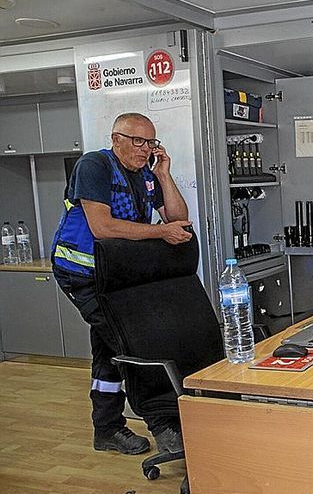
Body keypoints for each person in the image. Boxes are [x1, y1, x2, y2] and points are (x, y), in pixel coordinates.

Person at [51, 113, 193, 455]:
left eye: (151, 143)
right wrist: (159, 232)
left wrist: (163, 174)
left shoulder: (147, 173)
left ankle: (107, 429)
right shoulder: (93, 166)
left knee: (109, 348)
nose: (145, 150)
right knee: (132, 343)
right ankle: (164, 424)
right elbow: (103, 227)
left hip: (118, 273)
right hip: (82, 274)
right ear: (116, 139)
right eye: (137, 141)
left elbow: (177, 218)